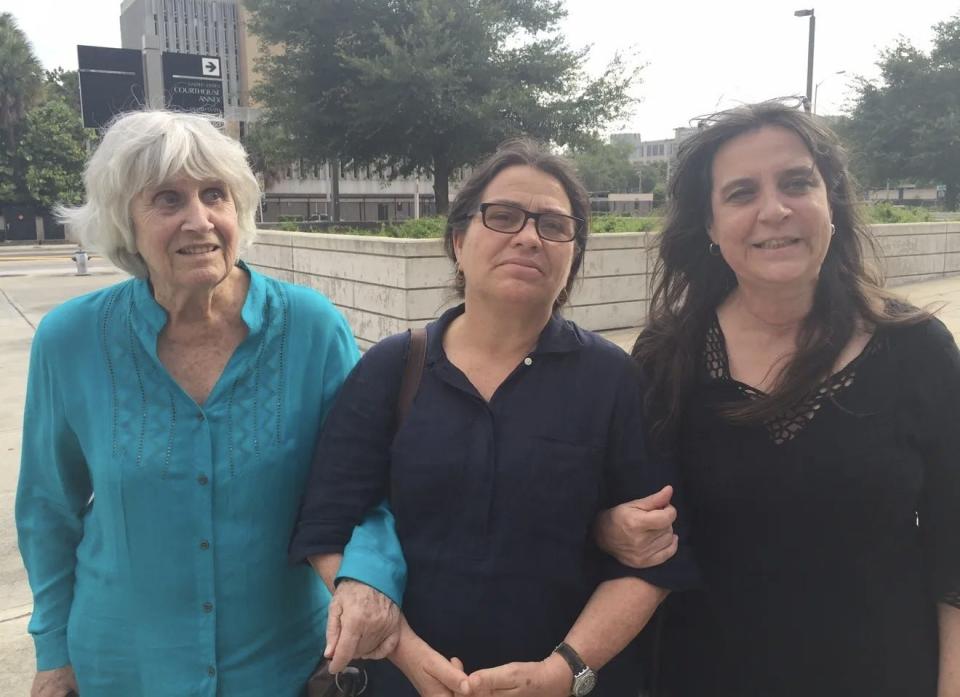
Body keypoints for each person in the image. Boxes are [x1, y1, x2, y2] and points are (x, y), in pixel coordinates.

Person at [16, 110, 406, 697]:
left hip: (286, 666)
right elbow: (48, 509)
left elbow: (366, 483)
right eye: (168, 199)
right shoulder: (69, 339)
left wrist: (369, 579)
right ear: (126, 221)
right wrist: (53, 653)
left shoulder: (311, 327)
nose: (198, 220)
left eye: (215, 195)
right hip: (125, 667)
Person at [289, 139, 699, 697]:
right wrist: (406, 653)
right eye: (503, 216)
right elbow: (326, 524)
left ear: (573, 257)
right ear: (458, 241)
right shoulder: (394, 367)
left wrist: (564, 672)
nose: (529, 236)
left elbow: (655, 558)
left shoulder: (614, 381)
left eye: (553, 225)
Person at [596, 100, 960, 696]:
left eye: (796, 183)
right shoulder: (669, 355)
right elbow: (626, 509)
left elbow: (955, 554)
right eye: (741, 193)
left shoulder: (917, 352)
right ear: (710, 227)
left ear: (831, 202)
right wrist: (609, 527)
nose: (774, 210)